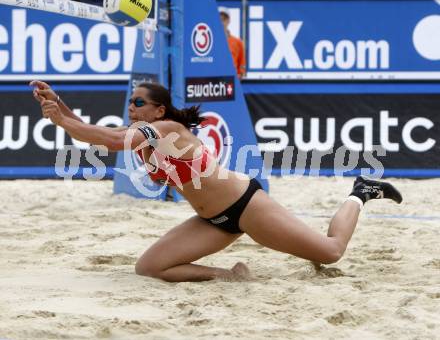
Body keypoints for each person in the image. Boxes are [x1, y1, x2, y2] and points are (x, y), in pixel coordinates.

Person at [30, 80, 403, 283]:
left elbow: (109, 142)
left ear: (158, 111)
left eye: (139, 103)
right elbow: (97, 132)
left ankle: (360, 192)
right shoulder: (142, 134)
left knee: (330, 251)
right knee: (149, 268)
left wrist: (62, 121)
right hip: (212, 222)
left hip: (246, 207)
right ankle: (229, 275)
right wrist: (57, 103)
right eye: (130, 102)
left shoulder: (168, 129)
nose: (132, 108)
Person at [219, 7, 246, 79]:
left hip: (231, 82)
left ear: (228, 21)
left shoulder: (238, 42)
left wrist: (239, 76)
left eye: (223, 19)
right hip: (214, 82)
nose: (221, 22)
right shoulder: (210, 43)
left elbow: (242, 64)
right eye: (219, 19)